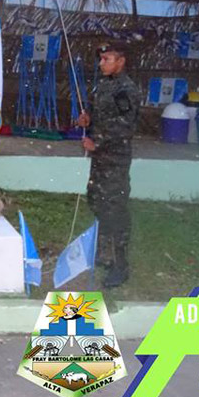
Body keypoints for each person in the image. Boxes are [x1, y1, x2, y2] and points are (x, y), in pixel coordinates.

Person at [75, 41, 141, 288]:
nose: (102, 63)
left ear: (120, 61)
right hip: (101, 159)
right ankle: (104, 254)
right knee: (97, 201)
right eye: (101, 59)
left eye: (107, 59)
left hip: (115, 158)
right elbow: (102, 116)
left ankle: (120, 266)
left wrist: (97, 141)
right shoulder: (104, 84)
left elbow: (126, 125)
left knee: (115, 209)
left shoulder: (126, 89)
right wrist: (87, 120)